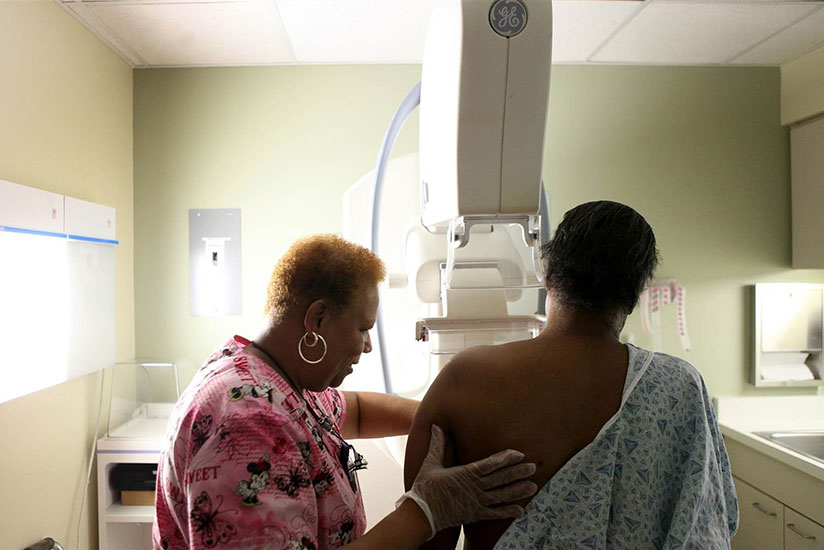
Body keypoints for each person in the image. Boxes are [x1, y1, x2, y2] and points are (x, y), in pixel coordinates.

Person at [152, 234, 538, 550]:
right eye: (362, 328)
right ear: (317, 319)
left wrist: (437, 415)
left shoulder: (276, 377)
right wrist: (426, 510)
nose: (367, 345)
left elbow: (353, 411)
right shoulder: (247, 425)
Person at [404, 201, 739, 549]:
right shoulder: (678, 388)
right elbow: (708, 529)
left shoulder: (464, 379)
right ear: (636, 293)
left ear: (547, 271)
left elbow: (423, 538)